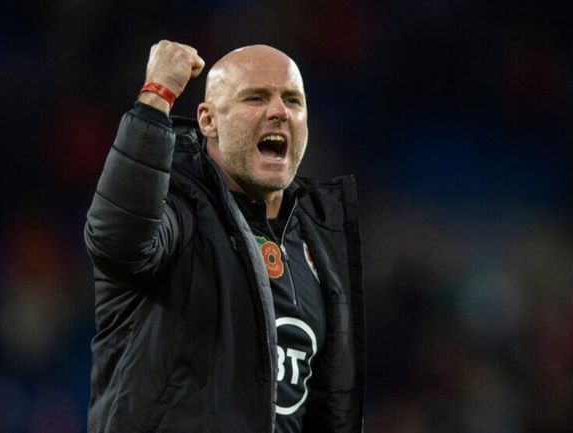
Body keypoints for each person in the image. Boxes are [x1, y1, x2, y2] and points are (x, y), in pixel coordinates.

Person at [84, 40, 365, 433]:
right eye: (255, 98)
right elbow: (119, 242)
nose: (279, 112)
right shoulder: (175, 210)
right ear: (208, 120)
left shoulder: (318, 243)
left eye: (292, 100)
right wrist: (156, 96)